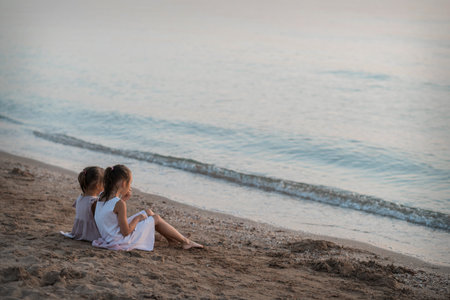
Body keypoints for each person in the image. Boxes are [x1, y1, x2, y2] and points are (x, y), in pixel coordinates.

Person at [93, 164, 203, 251]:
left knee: (148, 212)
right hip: (121, 240)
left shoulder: (102, 196)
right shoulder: (119, 204)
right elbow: (125, 232)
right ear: (123, 183)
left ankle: (172, 238)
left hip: (110, 236)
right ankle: (186, 242)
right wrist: (137, 219)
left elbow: (111, 215)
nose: (130, 187)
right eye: (130, 183)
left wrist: (123, 199)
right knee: (156, 218)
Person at [61, 166, 104, 242]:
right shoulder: (94, 202)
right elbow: (99, 221)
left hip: (79, 232)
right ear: (98, 186)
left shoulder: (80, 198)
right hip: (91, 234)